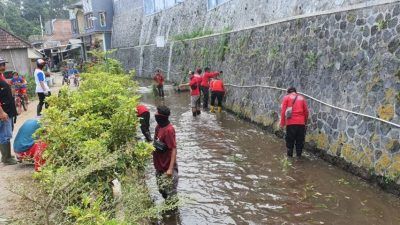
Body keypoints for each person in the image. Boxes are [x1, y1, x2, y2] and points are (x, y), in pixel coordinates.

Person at [153, 106, 178, 200]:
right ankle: (168, 211)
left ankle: (173, 213)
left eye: (156, 114)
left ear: (161, 117)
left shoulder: (169, 130)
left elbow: (173, 149)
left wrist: (170, 169)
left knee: (171, 196)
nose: (155, 115)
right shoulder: (158, 127)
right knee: (161, 190)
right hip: (159, 166)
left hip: (167, 167)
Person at [280, 87, 309, 157]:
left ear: (288, 92)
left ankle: (289, 158)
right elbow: (306, 112)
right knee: (299, 141)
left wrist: (282, 123)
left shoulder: (286, 98)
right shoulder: (302, 98)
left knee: (290, 141)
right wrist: (305, 122)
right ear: (295, 92)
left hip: (291, 123)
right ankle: (299, 157)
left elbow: (283, 111)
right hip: (301, 124)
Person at [0, 56, 17, 165]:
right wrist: (1, 112)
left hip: (8, 109)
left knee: (6, 132)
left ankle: (6, 156)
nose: (3, 66)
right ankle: (7, 158)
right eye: (1, 65)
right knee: (5, 134)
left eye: (4, 64)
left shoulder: (2, 76)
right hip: (3, 111)